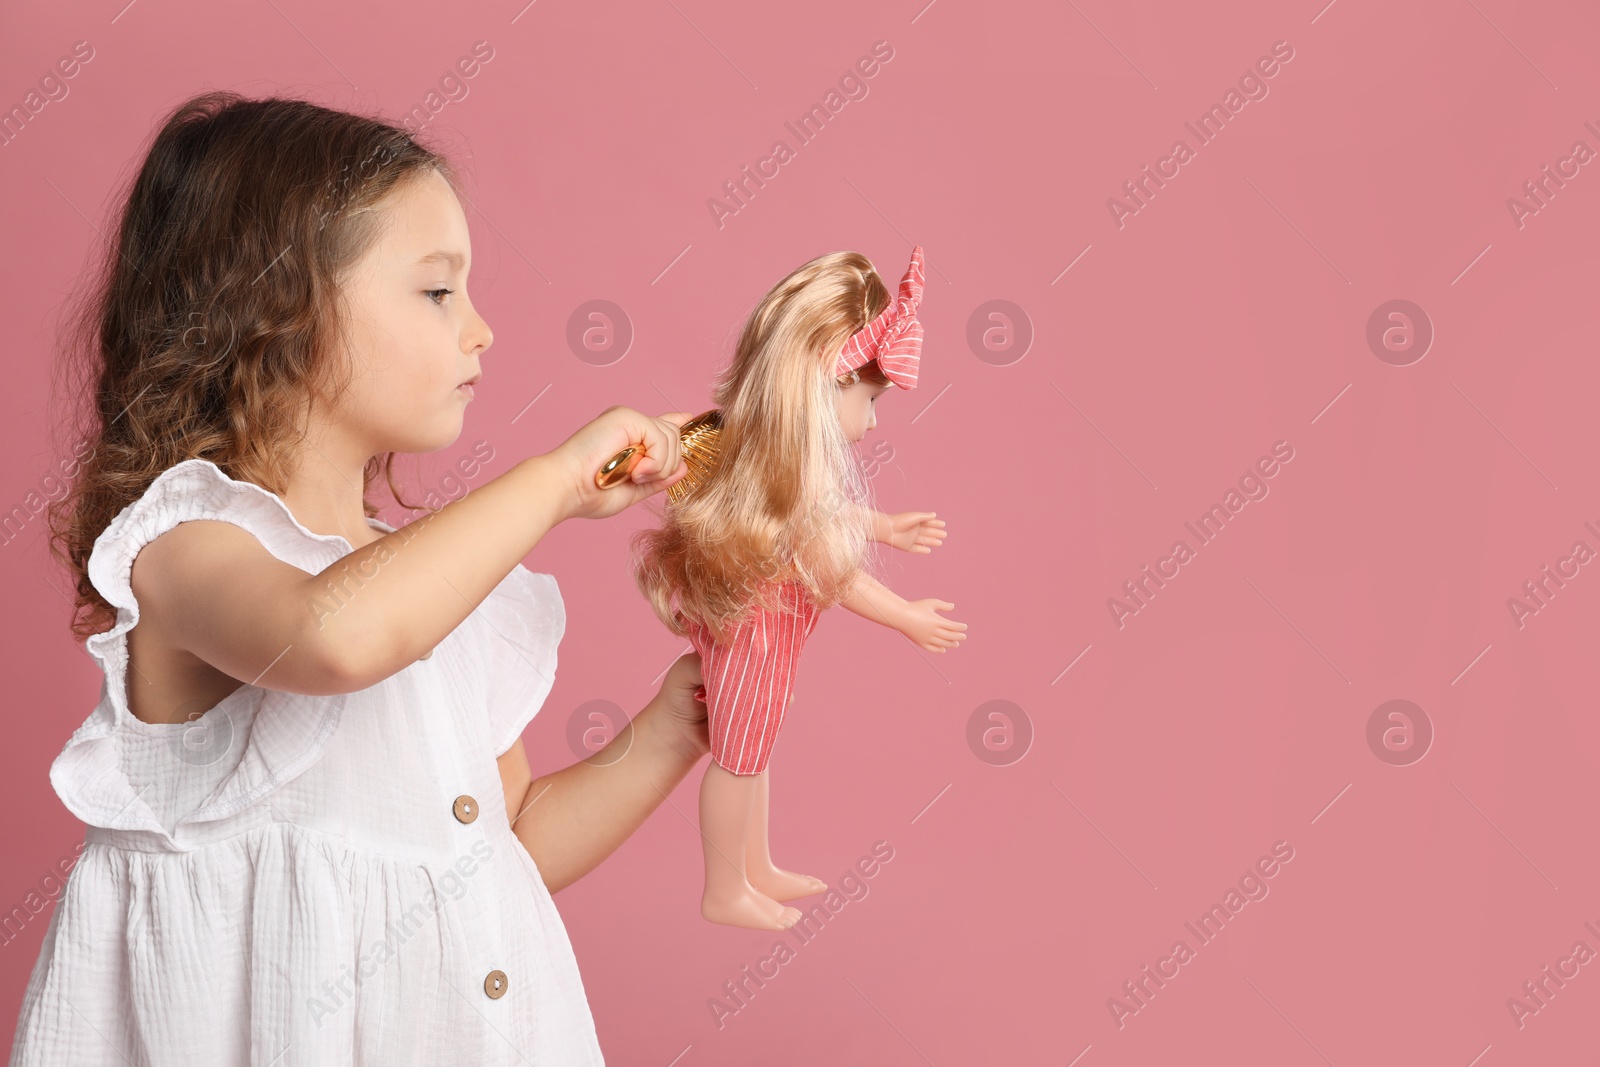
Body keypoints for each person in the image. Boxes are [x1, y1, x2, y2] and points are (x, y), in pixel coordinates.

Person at [9, 91, 707, 1066]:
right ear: (278, 313)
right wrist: (552, 481)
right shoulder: (184, 542)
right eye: (436, 291)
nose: (482, 331)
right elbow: (333, 637)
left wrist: (678, 723)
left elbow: (504, 842)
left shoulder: (424, 592)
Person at [629, 247, 967, 931]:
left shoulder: (788, 464)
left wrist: (883, 524)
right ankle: (725, 887)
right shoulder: (789, 465)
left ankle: (754, 863)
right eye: (867, 399)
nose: (872, 422)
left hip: (767, 632)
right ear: (821, 381)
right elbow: (835, 571)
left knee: (754, 753)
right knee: (737, 762)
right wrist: (905, 615)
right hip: (754, 631)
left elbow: (817, 518)